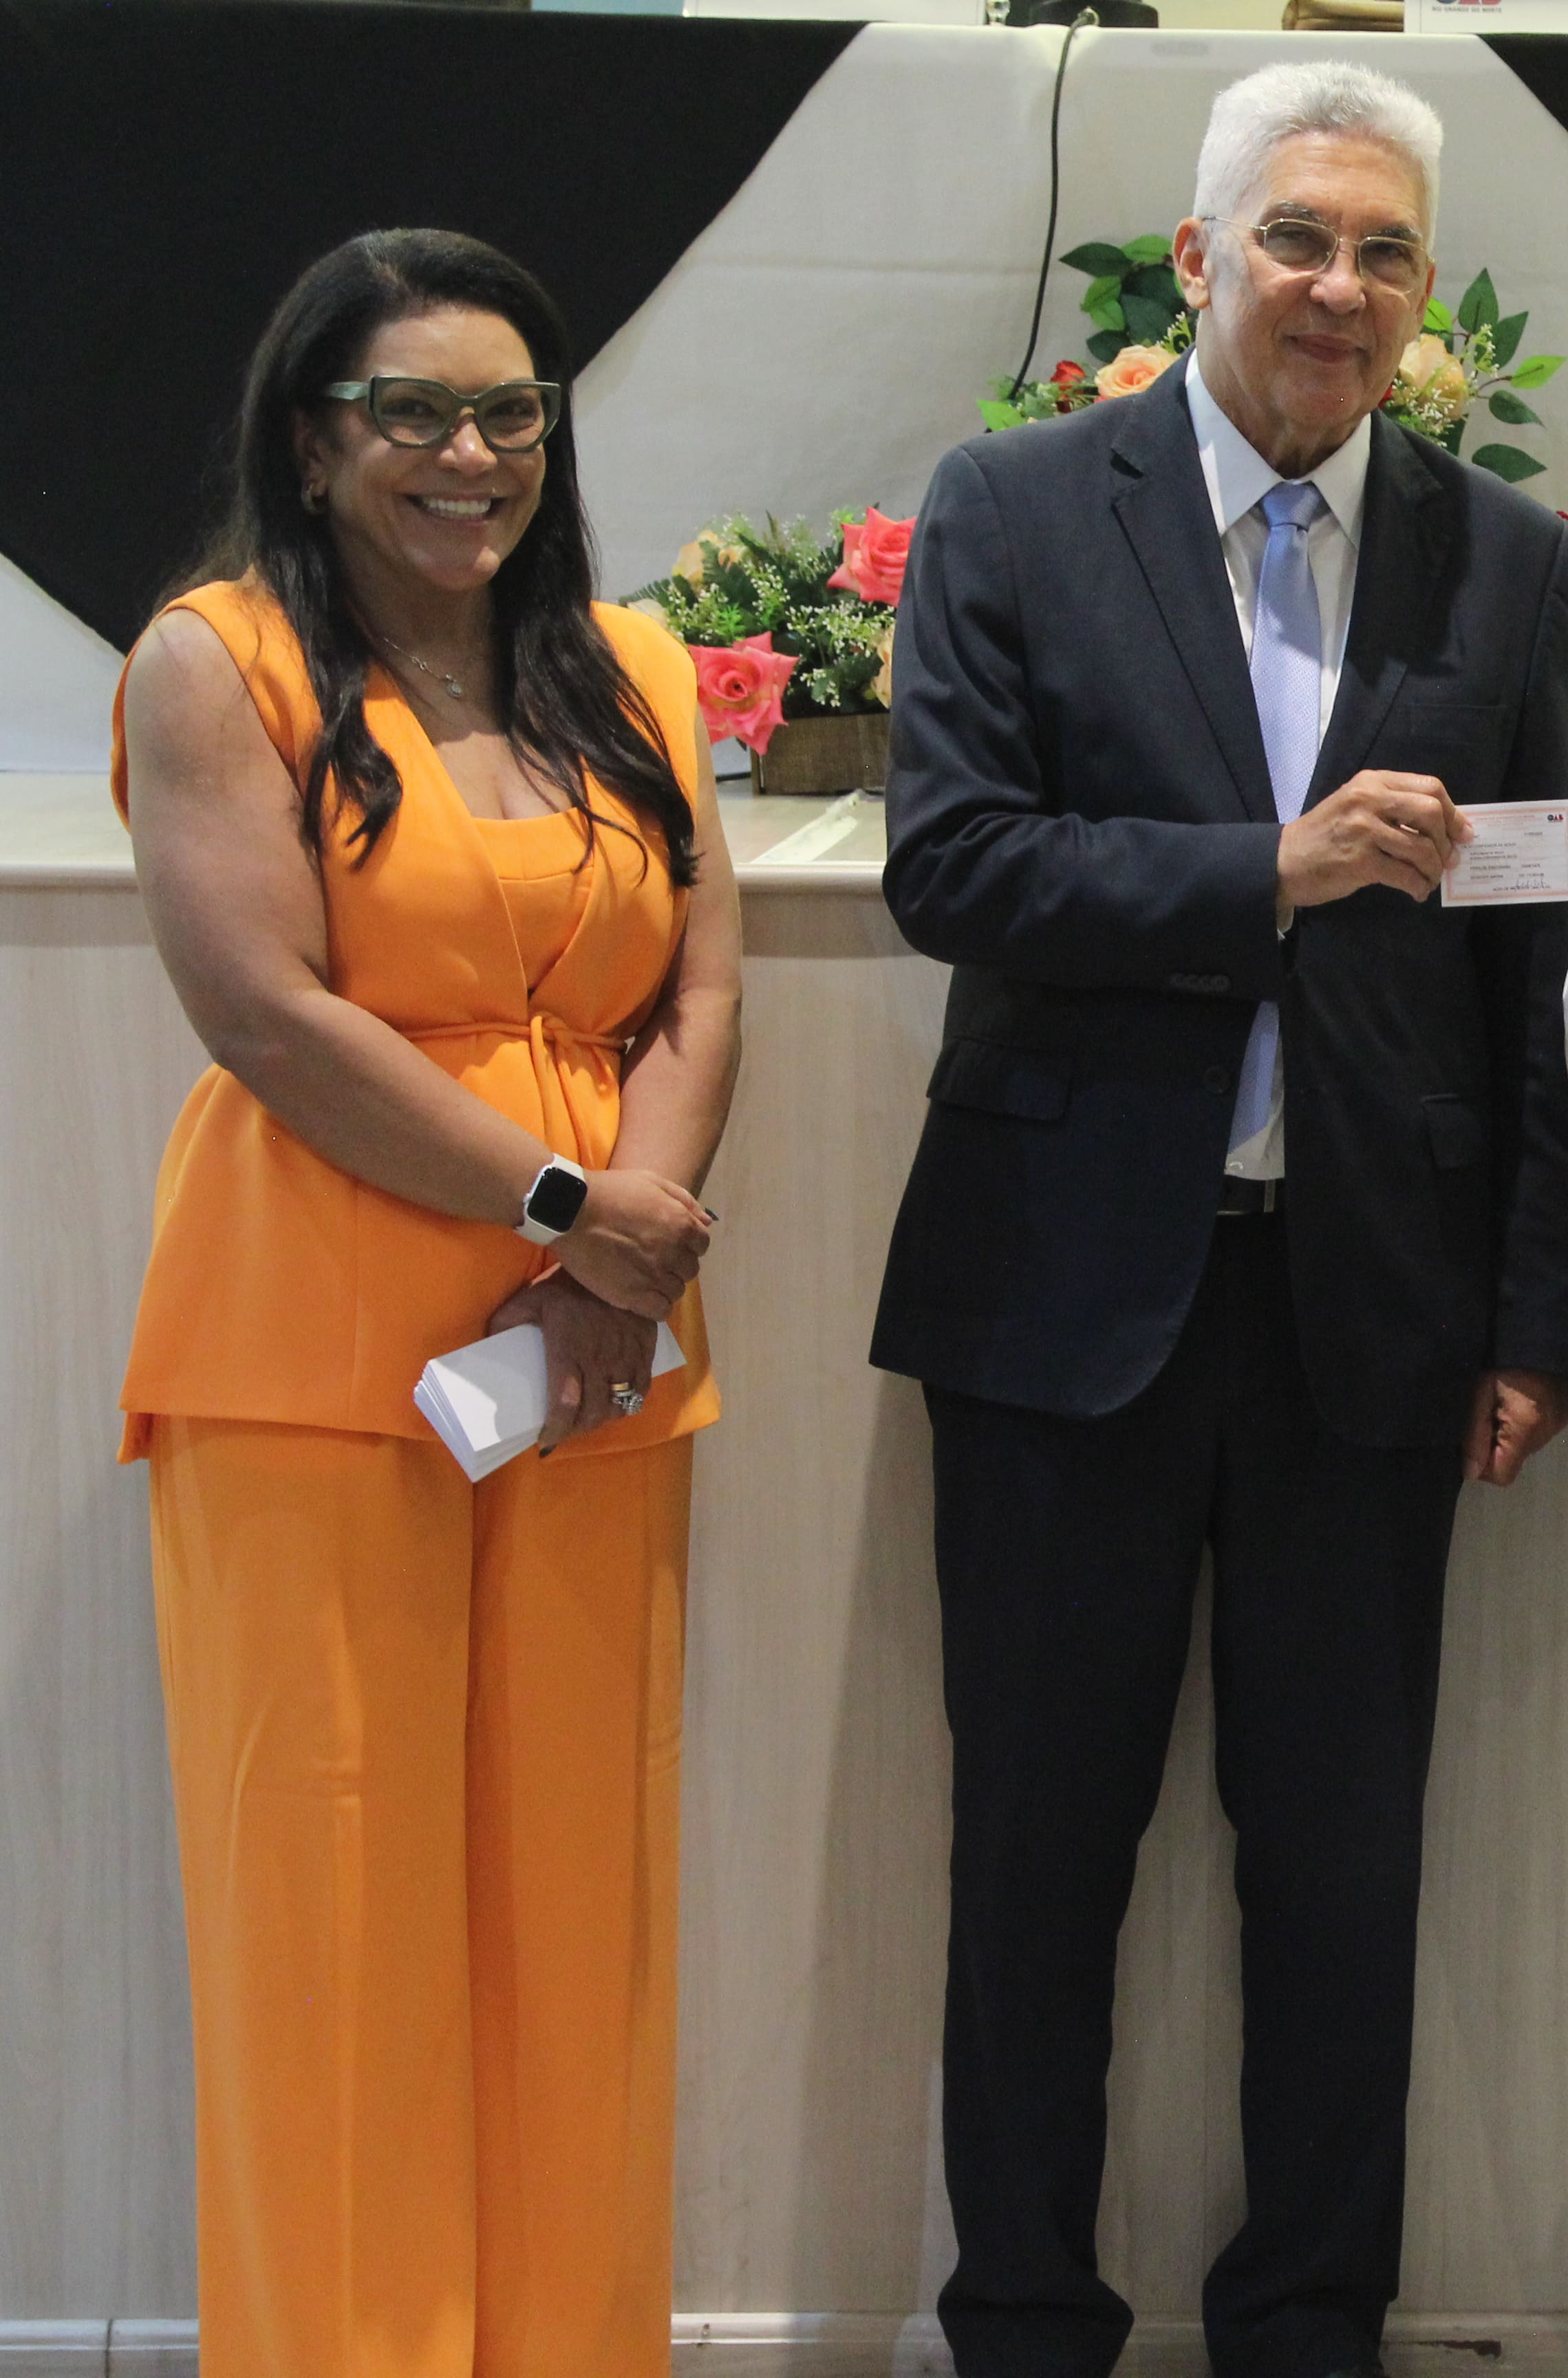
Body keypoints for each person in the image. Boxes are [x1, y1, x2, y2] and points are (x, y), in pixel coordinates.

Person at [868, 59, 1568, 2378]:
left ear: (1424, 297)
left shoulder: (1508, 561)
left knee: (1343, 1873)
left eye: (1385, 254)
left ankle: (1309, 2328)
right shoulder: (1009, 507)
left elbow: (1534, 966)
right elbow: (949, 863)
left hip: (1368, 1314)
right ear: (1202, 259)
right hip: (1060, 1303)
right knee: (1038, 1864)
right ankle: (1022, 2327)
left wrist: (1540, 1313)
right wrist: (1265, 871)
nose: (1338, 289)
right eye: (1298, 239)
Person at [109, 228, 738, 2378]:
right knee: (334, 1924)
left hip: (597, 1357)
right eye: (414, 414)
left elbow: (703, 992)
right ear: (313, 440)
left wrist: (622, 1248)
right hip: (312, 1351)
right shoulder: (216, 663)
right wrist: (569, 1206)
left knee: (581, 1916)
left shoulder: (631, 667)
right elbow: (264, 1014)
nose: (471, 456)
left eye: (510, 415)